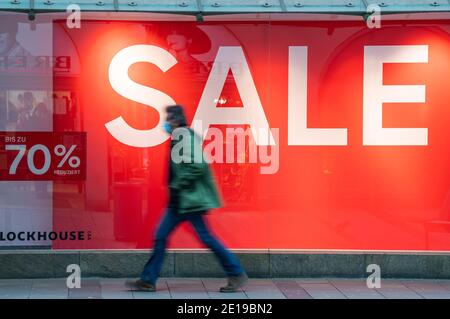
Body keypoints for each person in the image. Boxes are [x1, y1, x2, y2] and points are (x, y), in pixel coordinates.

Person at [126, 105, 248, 293]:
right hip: (179, 202)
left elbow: (198, 165)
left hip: (190, 201)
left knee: (206, 238)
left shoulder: (182, 136)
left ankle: (236, 273)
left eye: (168, 120)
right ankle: (148, 280)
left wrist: (178, 183)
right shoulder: (179, 137)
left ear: (175, 120)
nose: (165, 124)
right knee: (161, 236)